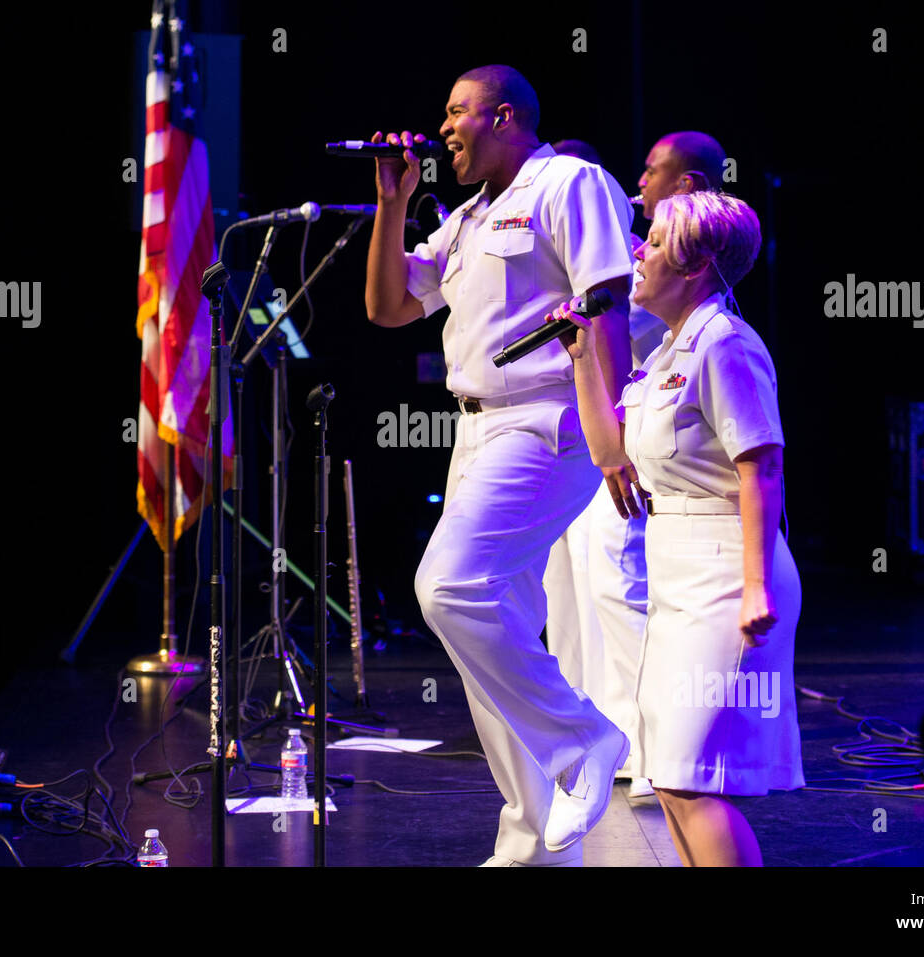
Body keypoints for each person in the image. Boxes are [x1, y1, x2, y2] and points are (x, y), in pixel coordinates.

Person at [364, 65, 636, 865]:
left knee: (447, 585)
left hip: (544, 422)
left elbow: (605, 301)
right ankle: (533, 844)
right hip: (475, 432)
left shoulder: (568, 181)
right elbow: (387, 307)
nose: (444, 127)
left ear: (505, 114)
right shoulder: (469, 218)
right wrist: (392, 201)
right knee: (495, 635)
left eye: (457, 112)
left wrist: (612, 429)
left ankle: (586, 737)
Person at [547, 190, 803, 866]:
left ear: (696, 264)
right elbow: (612, 454)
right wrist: (579, 355)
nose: (638, 251)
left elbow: (763, 465)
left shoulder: (726, 345)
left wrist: (755, 587)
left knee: (694, 777)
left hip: (726, 574)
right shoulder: (667, 353)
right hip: (675, 574)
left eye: (654, 242)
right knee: (666, 777)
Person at [543, 133, 726, 800]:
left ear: (688, 184)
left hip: (644, 438)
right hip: (600, 429)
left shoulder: (688, 256)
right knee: (573, 583)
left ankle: (654, 747)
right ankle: (590, 735)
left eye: (652, 172)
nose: (638, 180)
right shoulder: (634, 244)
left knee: (619, 579)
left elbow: (629, 324)